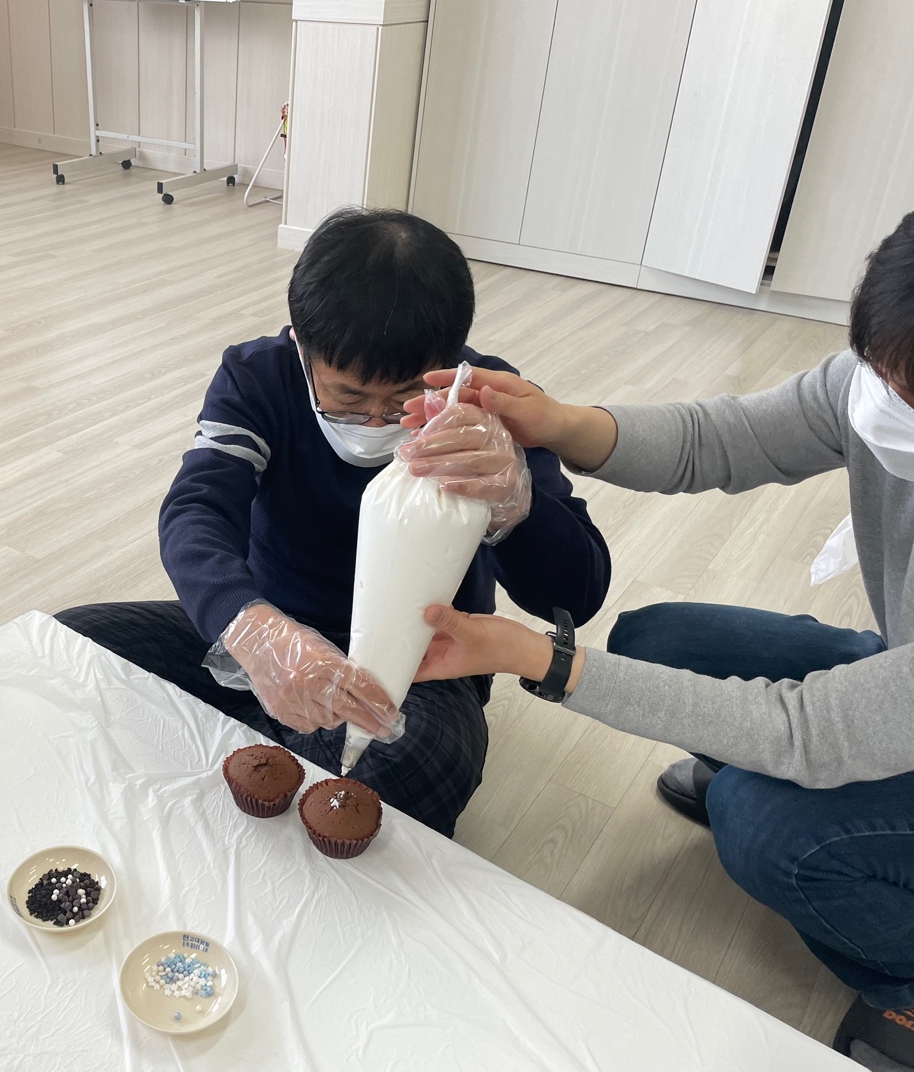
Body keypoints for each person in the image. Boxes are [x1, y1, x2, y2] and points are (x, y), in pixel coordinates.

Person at [406, 211, 914, 1068]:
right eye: (881, 372)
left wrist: (535, 655)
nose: (883, 399)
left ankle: (901, 977)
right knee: (654, 636)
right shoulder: (877, 385)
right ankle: (776, 785)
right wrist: (559, 421)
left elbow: (807, 730)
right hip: (895, 680)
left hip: (873, 716)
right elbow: (722, 437)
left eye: (907, 391)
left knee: (756, 822)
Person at [57, 207, 611, 836]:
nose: (375, 421)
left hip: (418, 660)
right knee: (73, 644)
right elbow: (197, 509)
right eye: (348, 397)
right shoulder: (259, 376)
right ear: (302, 345)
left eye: (403, 398)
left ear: (451, 361)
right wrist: (251, 629)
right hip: (274, 627)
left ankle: (261, 763)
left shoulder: (489, 402)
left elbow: (578, 594)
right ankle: (284, 759)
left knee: (416, 763)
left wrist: (515, 506)